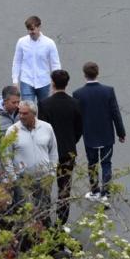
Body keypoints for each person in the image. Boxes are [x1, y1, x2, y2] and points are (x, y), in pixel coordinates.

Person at [73, 61, 125, 202]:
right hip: (106, 134)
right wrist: (121, 133)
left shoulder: (78, 94)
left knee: (92, 163)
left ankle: (94, 191)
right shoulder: (108, 91)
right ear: (98, 73)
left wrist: (76, 136)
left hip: (89, 135)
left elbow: (77, 118)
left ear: (84, 74)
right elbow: (115, 113)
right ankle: (105, 193)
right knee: (106, 163)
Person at [38, 69, 84, 226]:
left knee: (46, 187)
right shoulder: (75, 104)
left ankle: (45, 220)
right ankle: (61, 221)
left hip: (49, 153)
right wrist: (71, 141)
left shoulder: (44, 104)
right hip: (68, 151)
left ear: (52, 83)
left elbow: (41, 129)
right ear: (67, 83)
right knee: (64, 188)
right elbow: (79, 128)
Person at [5, 100, 58, 226]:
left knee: (44, 213)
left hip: (44, 180)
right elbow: (6, 156)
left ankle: (45, 241)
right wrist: (14, 179)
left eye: (25, 113)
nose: (21, 116)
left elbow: (53, 152)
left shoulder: (47, 128)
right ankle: (27, 243)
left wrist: (52, 173)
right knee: (25, 215)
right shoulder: (12, 131)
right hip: (23, 182)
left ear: (34, 114)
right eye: (20, 113)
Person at [12, 15, 60, 104]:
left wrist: (56, 83)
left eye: (33, 29)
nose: (31, 32)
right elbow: (17, 62)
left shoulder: (49, 43)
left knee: (44, 109)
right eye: (29, 29)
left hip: (44, 81)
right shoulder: (21, 42)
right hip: (26, 80)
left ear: (39, 27)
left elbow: (55, 64)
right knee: (28, 108)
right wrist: (15, 81)